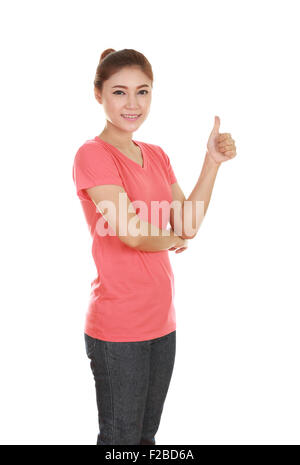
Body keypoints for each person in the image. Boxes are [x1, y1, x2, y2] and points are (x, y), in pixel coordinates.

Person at [72, 48, 237, 446]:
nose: (133, 104)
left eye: (142, 92)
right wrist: (173, 238)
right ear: (99, 94)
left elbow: (187, 222)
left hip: (162, 323)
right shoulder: (92, 155)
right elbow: (131, 232)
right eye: (119, 92)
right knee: (120, 441)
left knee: (145, 439)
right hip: (117, 327)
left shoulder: (158, 156)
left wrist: (211, 162)